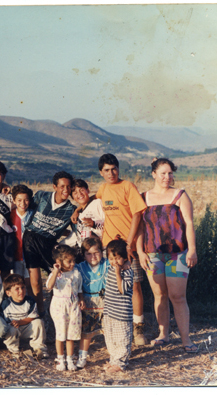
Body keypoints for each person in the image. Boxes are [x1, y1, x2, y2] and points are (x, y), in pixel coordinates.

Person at [136, 158, 198, 353]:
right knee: (159, 295)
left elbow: (189, 223)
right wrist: (139, 252)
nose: (167, 177)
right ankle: (163, 334)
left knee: (177, 296)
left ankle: (186, 339)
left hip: (177, 254)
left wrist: (193, 249)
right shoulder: (143, 197)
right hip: (152, 254)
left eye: (170, 173)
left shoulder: (180, 195)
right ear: (153, 174)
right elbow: (138, 228)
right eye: (163, 173)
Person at [91, 153, 148, 345]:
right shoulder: (104, 188)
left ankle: (138, 327)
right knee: (114, 285)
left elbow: (137, 215)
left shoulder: (128, 187)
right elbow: (95, 197)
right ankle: (116, 325)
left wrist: (129, 243)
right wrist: (77, 210)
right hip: (109, 246)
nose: (111, 173)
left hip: (128, 245)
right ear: (101, 172)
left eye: (114, 168)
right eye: (106, 170)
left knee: (135, 284)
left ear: (118, 169)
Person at [22, 171, 77, 315]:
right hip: (30, 239)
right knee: (35, 282)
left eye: (69, 187)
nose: (65, 190)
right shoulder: (42, 196)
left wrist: (62, 243)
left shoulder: (71, 210)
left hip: (50, 244)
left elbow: (76, 233)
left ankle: (57, 312)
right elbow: (24, 208)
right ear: (55, 187)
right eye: (62, 186)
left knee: (58, 277)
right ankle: (40, 312)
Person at [0, 274, 48, 358]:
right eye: (17, 289)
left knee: (38, 322)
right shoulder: (5, 304)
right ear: (8, 293)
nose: (21, 291)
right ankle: (14, 350)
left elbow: (33, 316)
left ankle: (40, 348)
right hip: (12, 330)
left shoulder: (29, 301)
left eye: (23, 287)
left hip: (25, 327)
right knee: (11, 328)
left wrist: (20, 322)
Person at [45, 245, 84, 371]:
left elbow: (79, 289)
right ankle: (60, 359)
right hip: (59, 307)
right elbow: (49, 286)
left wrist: (81, 299)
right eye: (69, 261)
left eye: (73, 260)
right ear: (59, 262)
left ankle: (70, 359)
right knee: (61, 334)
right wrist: (55, 272)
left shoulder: (76, 273)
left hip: (73, 305)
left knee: (70, 335)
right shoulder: (56, 274)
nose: (72, 263)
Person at [76, 237, 109, 369]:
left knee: (109, 331)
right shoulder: (79, 267)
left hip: (106, 302)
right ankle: (82, 357)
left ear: (102, 252)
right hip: (88, 303)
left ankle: (114, 356)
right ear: (83, 255)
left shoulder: (108, 263)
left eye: (96, 252)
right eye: (88, 253)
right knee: (86, 332)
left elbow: (121, 263)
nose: (93, 256)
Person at [103, 239, 134, 372]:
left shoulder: (127, 272)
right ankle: (114, 359)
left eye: (117, 258)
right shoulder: (110, 268)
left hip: (121, 313)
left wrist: (118, 273)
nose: (114, 262)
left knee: (122, 338)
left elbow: (123, 289)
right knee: (110, 338)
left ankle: (120, 363)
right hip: (110, 311)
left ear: (125, 258)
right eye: (111, 258)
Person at [61, 178, 105, 251]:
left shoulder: (97, 203)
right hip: (82, 248)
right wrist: (61, 244)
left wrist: (94, 223)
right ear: (73, 198)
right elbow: (78, 235)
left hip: (97, 248)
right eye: (75, 193)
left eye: (81, 190)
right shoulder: (79, 214)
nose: (80, 194)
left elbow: (108, 223)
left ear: (88, 190)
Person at [10, 184, 32, 282]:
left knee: (29, 282)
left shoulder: (34, 215)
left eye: (26, 200)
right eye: (19, 200)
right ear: (14, 200)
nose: (22, 203)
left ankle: (31, 298)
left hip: (30, 256)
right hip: (15, 256)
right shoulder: (10, 215)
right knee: (17, 281)